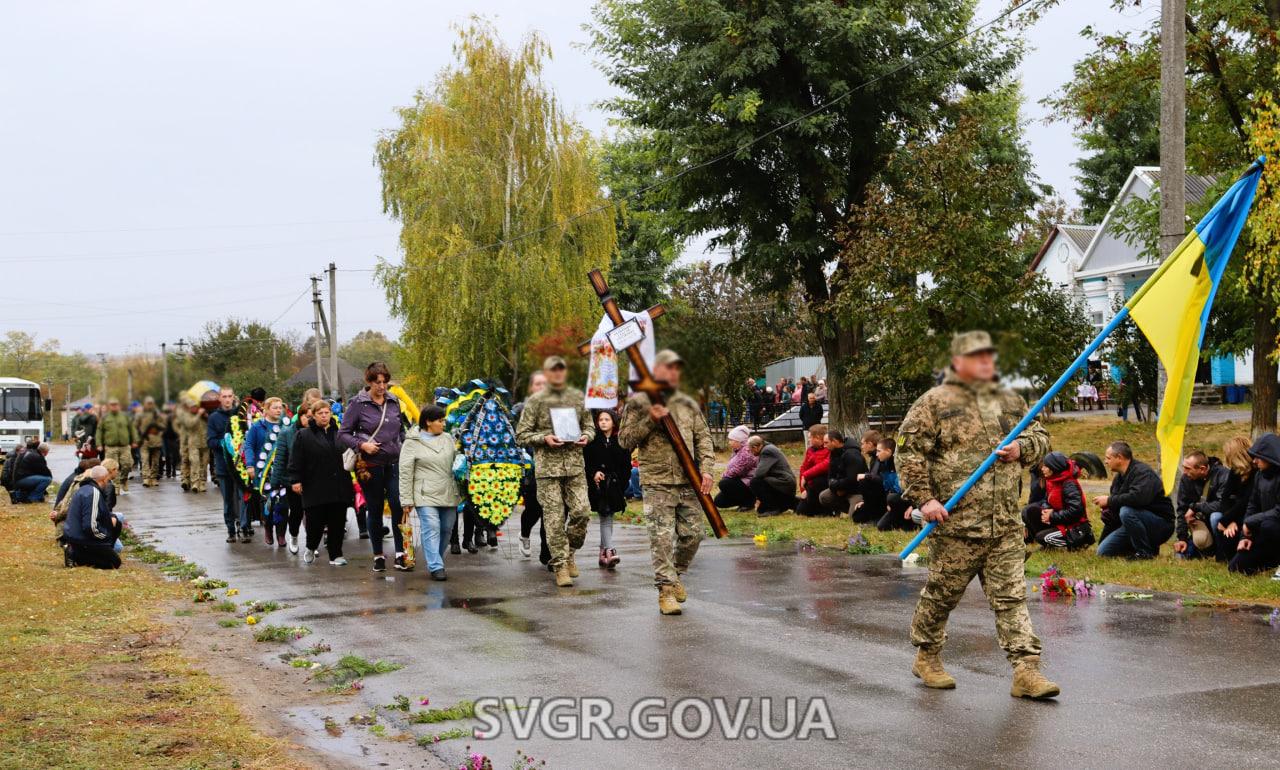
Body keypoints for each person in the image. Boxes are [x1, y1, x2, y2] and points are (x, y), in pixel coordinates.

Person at [898, 330, 1057, 699]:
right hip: (954, 524)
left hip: (1002, 523)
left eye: (990, 356)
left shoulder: (1011, 400)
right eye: (977, 356)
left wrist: (1023, 447)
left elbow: (1042, 437)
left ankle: (1026, 670)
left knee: (1011, 598)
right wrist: (924, 499)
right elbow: (908, 453)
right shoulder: (933, 403)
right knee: (942, 595)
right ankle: (928, 655)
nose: (987, 362)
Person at [619, 349, 714, 615]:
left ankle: (675, 576)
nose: (673, 373)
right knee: (661, 539)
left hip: (688, 480)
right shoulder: (639, 402)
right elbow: (625, 440)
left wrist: (707, 470)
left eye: (677, 368)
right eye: (668, 368)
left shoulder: (688, 402)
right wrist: (651, 420)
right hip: (657, 481)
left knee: (694, 535)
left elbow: (703, 439)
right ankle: (665, 591)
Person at [515, 355, 595, 587]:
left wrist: (586, 436)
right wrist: (544, 438)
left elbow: (589, 425)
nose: (558, 374)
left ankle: (569, 552)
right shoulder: (536, 401)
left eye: (562, 370)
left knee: (582, 512)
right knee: (553, 518)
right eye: (554, 370)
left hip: (574, 466)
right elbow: (521, 435)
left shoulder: (577, 398)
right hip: (548, 469)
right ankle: (559, 564)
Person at [339, 362, 407, 573]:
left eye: (385, 382)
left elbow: (401, 430)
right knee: (375, 508)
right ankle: (378, 554)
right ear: (368, 382)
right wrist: (362, 445)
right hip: (369, 465)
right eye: (378, 382)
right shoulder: (358, 404)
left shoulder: (394, 401)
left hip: (393, 462)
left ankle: (400, 554)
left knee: (397, 505)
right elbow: (343, 433)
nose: (382, 386)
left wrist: (402, 446)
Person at [399, 405, 461, 581]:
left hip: (448, 491)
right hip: (424, 493)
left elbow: (457, 462)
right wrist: (406, 500)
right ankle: (435, 566)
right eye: (440, 421)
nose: (444, 424)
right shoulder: (412, 442)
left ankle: (437, 558)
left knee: (447, 529)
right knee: (431, 527)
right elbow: (405, 472)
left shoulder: (448, 438)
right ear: (428, 422)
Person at [289, 399, 353, 566]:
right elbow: (296, 460)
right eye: (320, 413)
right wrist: (295, 480)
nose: (324, 416)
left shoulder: (340, 434)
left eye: (327, 413)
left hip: (339, 484)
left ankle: (336, 554)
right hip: (314, 485)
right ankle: (311, 546)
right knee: (315, 522)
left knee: (337, 522)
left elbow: (349, 454)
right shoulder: (303, 435)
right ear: (314, 416)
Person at [1094, 441, 1174, 559]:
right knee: (1103, 552)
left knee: (1127, 511)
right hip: (1134, 522)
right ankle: (1136, 549)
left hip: (1161, 524)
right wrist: (1109, 513)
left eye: (1108, 458)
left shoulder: (1143, 473)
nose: (1105, 462)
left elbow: (1138, 499)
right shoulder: (1118, 479)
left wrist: (1109, 501)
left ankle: (1145, 553)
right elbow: (1117, 506)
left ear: (1119, 458)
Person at [513, 371, 551, 564]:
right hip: (531, 468)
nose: (542, 387)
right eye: (538, 384)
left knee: (549, 511)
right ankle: (525, 534)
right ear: (531, 387)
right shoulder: (521, 410)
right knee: (534, 510)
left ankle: (546, 553)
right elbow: (517, 438)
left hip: (552, 468)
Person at [584, 409, 629, 569]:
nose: (603, 422)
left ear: (613, 422)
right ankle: (610, 551)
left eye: (607, 419)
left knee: (609, 517)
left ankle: (603, 554)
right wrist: (593, 473)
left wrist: (621, 484)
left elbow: (626, 465)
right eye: (601, 419)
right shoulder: (593, 440)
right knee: (605, 515)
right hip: (599, 485)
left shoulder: (620, 441)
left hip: (615, 485)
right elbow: (587, 461)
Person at [1229, 433, 1280, 576]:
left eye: (1258, 457)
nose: (1254, 461)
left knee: (1269, 526)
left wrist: (1250, 522)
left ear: (1269, 457)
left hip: (1273, 528)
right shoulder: (1259, 476)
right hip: (1263, 531)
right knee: (1236, 568)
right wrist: (1245, 537)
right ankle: (1272, 562)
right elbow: (1253, 505)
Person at [1021, 452, 1093, 550]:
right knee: (1030, 510)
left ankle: (1078, 543)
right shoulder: (1052, 481)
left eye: (1045, 466)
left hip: (1074, 527)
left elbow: (1076, 512)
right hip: (1060, 521)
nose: (1042, 469)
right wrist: (1046, 510)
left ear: (1053, 467)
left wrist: (1052, 515)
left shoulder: (1069, 485)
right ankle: (1045, 539)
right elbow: (1047, 501)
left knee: (1041, 538)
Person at [207, 387, 250, 543]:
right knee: (228, 501)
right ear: (220, 398)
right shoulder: (214, 418)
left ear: (233, 398)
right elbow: (210, 441)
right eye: (224, 396)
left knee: (244, 497)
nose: (227, 399)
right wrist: (227, 443)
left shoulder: (241, 415)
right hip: (224, 466)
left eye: (229, 396)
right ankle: (231, 530)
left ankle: (245, 527)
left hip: (241, 467)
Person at [244, 396, 288, 545]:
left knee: (283, 503)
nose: (278, 410)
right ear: (266, 409)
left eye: (280, 407)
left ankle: (281, 534)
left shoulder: (286, 426)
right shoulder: (257, 427)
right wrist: (250, 465)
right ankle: (268, 528)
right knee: (268, 502)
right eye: (275, 407)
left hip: (282, 471)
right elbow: (249, 446)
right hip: (264, 473)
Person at [1205, 436, 1254, 563]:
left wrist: (1227, 521)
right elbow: (1225, 499)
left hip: (1248, 513)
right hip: (1233, 513)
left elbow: (1246, 502)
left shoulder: (1256, 473)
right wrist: (1227, 521)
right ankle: (1223, 555)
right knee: (1215, 517)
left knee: (1224, 522)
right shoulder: (1235, 472)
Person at [62, 465, 121, 569]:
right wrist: (106, 536)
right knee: (114, 563)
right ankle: (75, 554)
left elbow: (100, 512)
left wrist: (111, 517)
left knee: (117, 522)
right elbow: (90, 526)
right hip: (83, 539)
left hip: (74, 536)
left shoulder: (84, 489)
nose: (108, 483)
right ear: (103, 479)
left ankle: (78, 553)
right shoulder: (93, 493)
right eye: (107, 480)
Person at [1174, 450, 1230, 559]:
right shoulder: (1186, 479)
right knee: (1181, 555)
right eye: (1184, 467)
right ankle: (1206, 550)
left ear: (1202, 469)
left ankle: (1222, 554)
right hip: (1200, 523)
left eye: (1188, 468)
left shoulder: (1223, 475)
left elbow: (1222, 504)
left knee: (1215, 517)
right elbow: (1182, 509)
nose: (1184, 472)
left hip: (1222, 524)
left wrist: (1195, 507)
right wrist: (1182, 538)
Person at [872, 438, 918, 532]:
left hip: (909, 500)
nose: (876, 454)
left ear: (888, 451)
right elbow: (887, 487)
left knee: (892, 498)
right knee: (882, 526)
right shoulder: (884, 465)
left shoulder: (903, 464)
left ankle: (909, 523)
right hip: (896, 500)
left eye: (879, 451)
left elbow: (916, 487)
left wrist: (913, 505)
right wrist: (888, 504)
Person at [819, 430, 868, 517]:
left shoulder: (852, 455)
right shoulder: (833, 453)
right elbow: (830, 475)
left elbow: (853, 479)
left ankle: (856, 508)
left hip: (856, 491)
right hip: (841, 489)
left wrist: (840, 488)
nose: (824, 446)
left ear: (835, 441)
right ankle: (846, 509)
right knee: (824, 497)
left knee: (854, 517)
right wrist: (835, 487)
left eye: (826, 443)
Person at [96, 398, 138, 494]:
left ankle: (123, 479)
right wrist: (99, 444)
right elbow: (99, 431)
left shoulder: (125, 417)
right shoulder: (105, 418)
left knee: (127, 464)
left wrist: (134, 440)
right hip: (111, 446)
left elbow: (132, 429)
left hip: (124, 446)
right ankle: (115, 486)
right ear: (109, 406)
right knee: (111, 468)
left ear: (118, 406)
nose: (114, 406)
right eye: (112, 405)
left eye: (116, 405)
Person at [713, 425, 758, 511]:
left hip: (749, 483)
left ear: (739, 441)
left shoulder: (747, 452)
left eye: (731, 440)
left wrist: (724, 475)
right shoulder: (737, 450)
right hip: (740, 481)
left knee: (724, 483)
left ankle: (748, 502)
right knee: (719, 501)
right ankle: (743, 501)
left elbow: (737, 470)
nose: (729, 442)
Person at [748, 436, 796, 516]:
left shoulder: (767, 451)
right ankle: (782, 505)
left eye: (750, 450)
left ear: (755, 447)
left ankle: (773, 508)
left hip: (783, 483)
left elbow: (759, 473)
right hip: (781, 482)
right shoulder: (768, 448)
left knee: (755, 482)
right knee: (761, 510)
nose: (750, 452)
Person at [175, 398, 209, 493]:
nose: (194, 408)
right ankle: (195, 482)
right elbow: (190, 424)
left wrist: (206, 416)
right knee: (195, 462)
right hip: (193, 443)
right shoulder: (187, 416)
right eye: (192, 407)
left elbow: (211, 423)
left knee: (204, 463)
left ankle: (202, 482)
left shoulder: (203, 416)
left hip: (205, 443)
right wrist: (198, 415)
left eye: (196, 407)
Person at [795, 425, 831, 516]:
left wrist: (806, 476)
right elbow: (803, 468)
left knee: (817, 481)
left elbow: (824, 465)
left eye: (810, 437)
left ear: (818, 437)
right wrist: (803, 489)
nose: (809, 440)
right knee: (800, 511)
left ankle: (824, 510)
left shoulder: (828, 449)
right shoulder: (810, 450)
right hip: (809, 484)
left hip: (822, 482)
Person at [134, 396, 166, 488]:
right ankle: (146, 478)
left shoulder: (157, 415)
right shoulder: (140, 415)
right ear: (145, 404)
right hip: (144, 441)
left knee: (155, 461)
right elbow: (135, 427)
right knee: (144, 460)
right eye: (148, 403)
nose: (150, 405)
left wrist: (159, 432)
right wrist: (137, 439)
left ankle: (153, 477)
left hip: (156, 442)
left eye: (151, 403)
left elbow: (163, 426)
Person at [161, 403, 180, 479]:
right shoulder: (167, 416)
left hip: (175, 438)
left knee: (175, 455)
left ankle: (174, 470)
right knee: (168, 455)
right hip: (166, 437)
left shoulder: (178, 417)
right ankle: (169, 472)